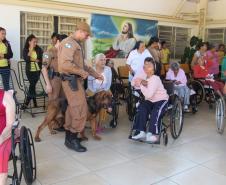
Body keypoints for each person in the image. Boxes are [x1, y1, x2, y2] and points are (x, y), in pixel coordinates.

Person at [58, 21, 103, 152]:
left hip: (75, 81)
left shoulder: (76, 44)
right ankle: (72, 139)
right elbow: (65, 65)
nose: (87, 37)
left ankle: (70, 138)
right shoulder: (68, 43)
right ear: (81, 31)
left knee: (72, 109)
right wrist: (81, 72)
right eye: (87, 35)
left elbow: (84, 65)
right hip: (71, 81)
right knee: (80, 109)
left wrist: (95, 74)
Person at [35, 34, 68, 142]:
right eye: (64, 43)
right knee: (53, 106)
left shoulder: (63, 52)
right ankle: (51, 125)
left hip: (63, 80)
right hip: (53, 80)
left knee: (62, 105)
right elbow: (44, 68)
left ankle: (59, 124)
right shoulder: (49, 52)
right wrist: (48, 84)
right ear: (58, 41)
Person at [131, 57, 168, 143]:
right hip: (150, 100)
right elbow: (133, 82)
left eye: (149, 66)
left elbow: (149, 94)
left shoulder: (155, 78)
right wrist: (141, 82)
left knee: (156, 112)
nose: (147, 67)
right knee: (142, 107)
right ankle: (141, 131)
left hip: (161, 100)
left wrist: (141, 84)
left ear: (154, 69)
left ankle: (153, 134)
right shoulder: (145, 77)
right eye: (145, 65)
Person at [87, 53, 112, 131]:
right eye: (101, 60)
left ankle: (100, 123)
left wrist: (103, 91)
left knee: (105, 100)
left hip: (104, 89)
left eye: (105, 60)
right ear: (96, 61)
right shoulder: (91, 69)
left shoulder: (108, 69)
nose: (103, 61)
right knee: (96, 100)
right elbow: (89, 83)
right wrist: (96, 92)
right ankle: (92, 120)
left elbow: (109, 83)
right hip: (92, 90)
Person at [22, 34, 43, 108]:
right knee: (32, 85)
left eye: (36, 42)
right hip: (29, 71)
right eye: (34, 42)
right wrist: (30, 50)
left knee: (32, 86)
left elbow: (41, 60)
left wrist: (34, 59)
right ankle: (27, 104)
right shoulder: (25, 49)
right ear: (29, 41)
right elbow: (27, 59)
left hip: (37, 71)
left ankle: (32, 103)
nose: (35, 43)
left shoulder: (38, 49)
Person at [0, 90, 16, 185]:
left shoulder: (6, 97)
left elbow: (10, 124)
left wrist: (1, 137)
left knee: (0, 151)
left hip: (6, 134)